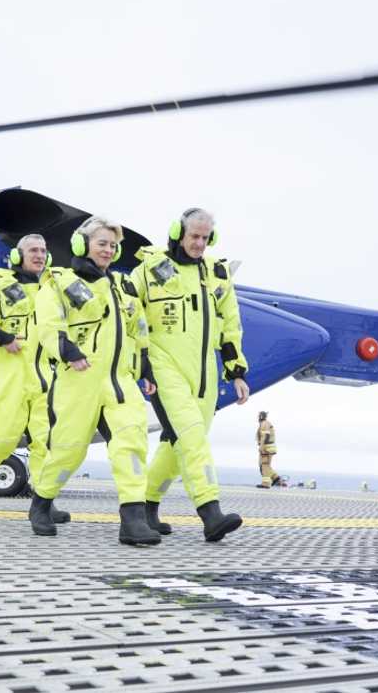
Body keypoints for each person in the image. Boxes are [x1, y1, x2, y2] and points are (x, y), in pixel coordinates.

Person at [30, 216, 161, 545]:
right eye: (102, 243)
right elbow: (47, 323)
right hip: (80, 378)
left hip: (120, 381)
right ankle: (41, 502)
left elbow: (139, 327)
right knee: (69, 451)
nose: (108, 250)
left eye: (113, 246)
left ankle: (133, 519)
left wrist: (145, 366)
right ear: (82, 244)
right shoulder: (60, 282)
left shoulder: (122, 286)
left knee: (132, 442)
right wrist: (67, 350)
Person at [134, 208, 250, 542]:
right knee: (192, 437)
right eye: (193, 236)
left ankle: (146, 504)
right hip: (164, 365)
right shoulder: (150, 270)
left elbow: (231, 326)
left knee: (177, 443)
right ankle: (210, 511)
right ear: (178, 233)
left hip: (205, 374)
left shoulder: (217, 274)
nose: (199, 243)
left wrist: (236, 372)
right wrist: (140, 362)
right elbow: (130, 314)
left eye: (205, 237)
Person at [0, 234, 69, 524]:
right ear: (18, 255)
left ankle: (44, 501)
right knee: (1, 439)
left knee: (45, 440)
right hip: (10, 377)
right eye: (33, 250)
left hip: (45, 376)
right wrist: (1, 336)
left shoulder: (53, 289)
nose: (40, 255)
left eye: (44, 251)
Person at [256, 411, 280, 488]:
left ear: (261, 417)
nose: (257, 417)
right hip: (268, 446)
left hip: (266, 447)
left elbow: (265, 435)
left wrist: (261, 446)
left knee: (264, 465)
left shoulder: (264, 424)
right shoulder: (266, 423)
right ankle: (275, 477)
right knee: (265, 465)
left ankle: (266, 484)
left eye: (258, 416)